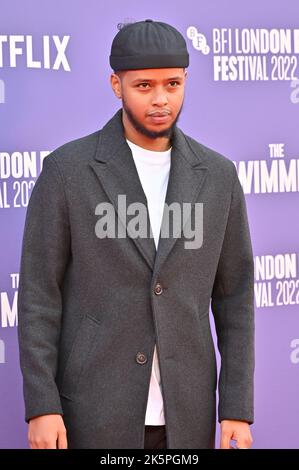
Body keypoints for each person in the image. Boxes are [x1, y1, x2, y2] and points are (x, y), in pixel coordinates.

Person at [18, 19, 255, 450]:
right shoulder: (68, 171)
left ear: (185, 82)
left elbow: (235, 296)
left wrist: (236, 406)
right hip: (91, 407)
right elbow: (38, 295)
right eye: (144, 86)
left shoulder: (219, 177)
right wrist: (41, 405)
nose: (161, 99)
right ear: (116, 84)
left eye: (172, 84)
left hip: (187, 412)